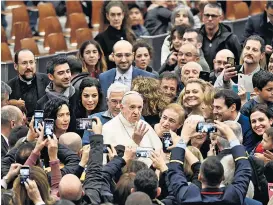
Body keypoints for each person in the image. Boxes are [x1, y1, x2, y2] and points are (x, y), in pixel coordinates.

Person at [167, 117, 252, 204]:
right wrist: (231, 136)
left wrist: (183, 138)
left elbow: (174, 170)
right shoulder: (233, 196)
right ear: (223, 177)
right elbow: (244, 168)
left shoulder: (187, 196)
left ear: (199, 177)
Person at [102, 91, 162, 166]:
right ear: (121, 107)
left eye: (139, 107)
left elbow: (159, 151)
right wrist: (135, 142)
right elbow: (110, 162)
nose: (136, 112)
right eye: (132, 107)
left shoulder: (145, 125)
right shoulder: (108, 128)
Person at [58, 117, 104, 205]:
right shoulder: (91, 199)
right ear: (83, 192)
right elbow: (94, 173)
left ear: (57, 193)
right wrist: (97, 135)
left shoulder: (50, 175)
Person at [7, 49, 50, 118]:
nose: (29, 67)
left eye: (31, 62)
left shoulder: (47, 80)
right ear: (16, 66)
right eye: (24, 63)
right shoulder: (9, 87)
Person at [95, 1, 136, 69]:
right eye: (113, 15)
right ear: (107, 16)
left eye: (119, 14)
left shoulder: (130, 35)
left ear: (123, 15)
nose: (116, 18)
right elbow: (96, 60)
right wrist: (108, 58)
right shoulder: (101, 38)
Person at [199, 3, 241, 69]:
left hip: (224, 76)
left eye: (213, 16)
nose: (210, 19)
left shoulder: (230, 39)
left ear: (220, 18)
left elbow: (238, 62)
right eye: (207, 15)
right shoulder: (196, 37)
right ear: (202, 17)